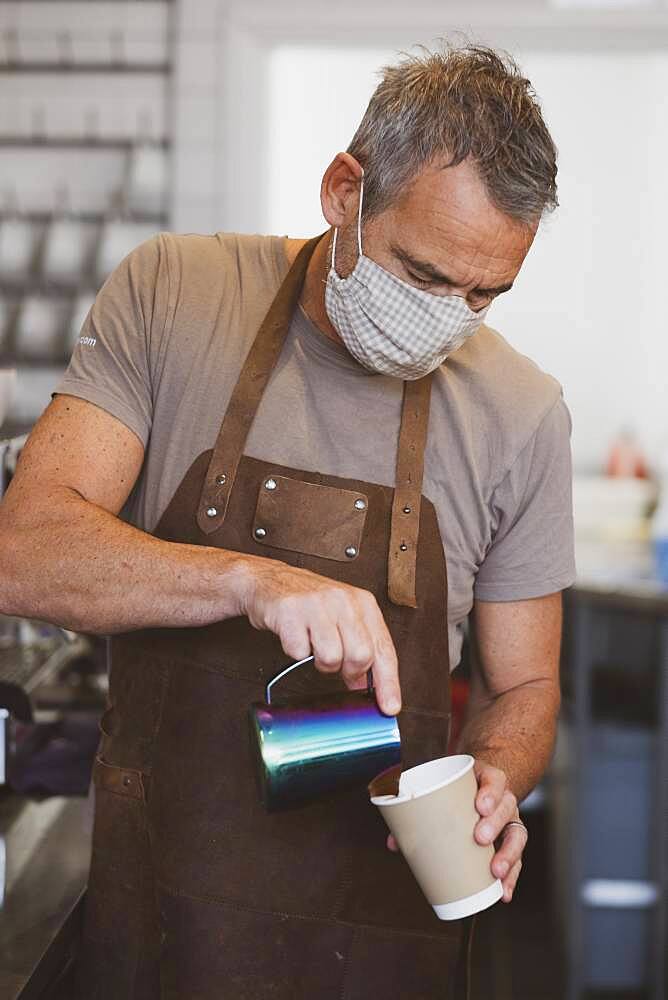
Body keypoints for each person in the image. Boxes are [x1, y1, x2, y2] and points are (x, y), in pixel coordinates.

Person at [0, 44, 574, 999]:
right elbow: (22, 554)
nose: (448, 318)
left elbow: (527, 688)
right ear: (344, 192)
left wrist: (494, 783)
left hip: (381, 943)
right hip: (160, 921)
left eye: (484, 295)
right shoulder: (176, 296)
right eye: (425, 275)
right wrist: (243, 578)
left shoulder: (522, 414)